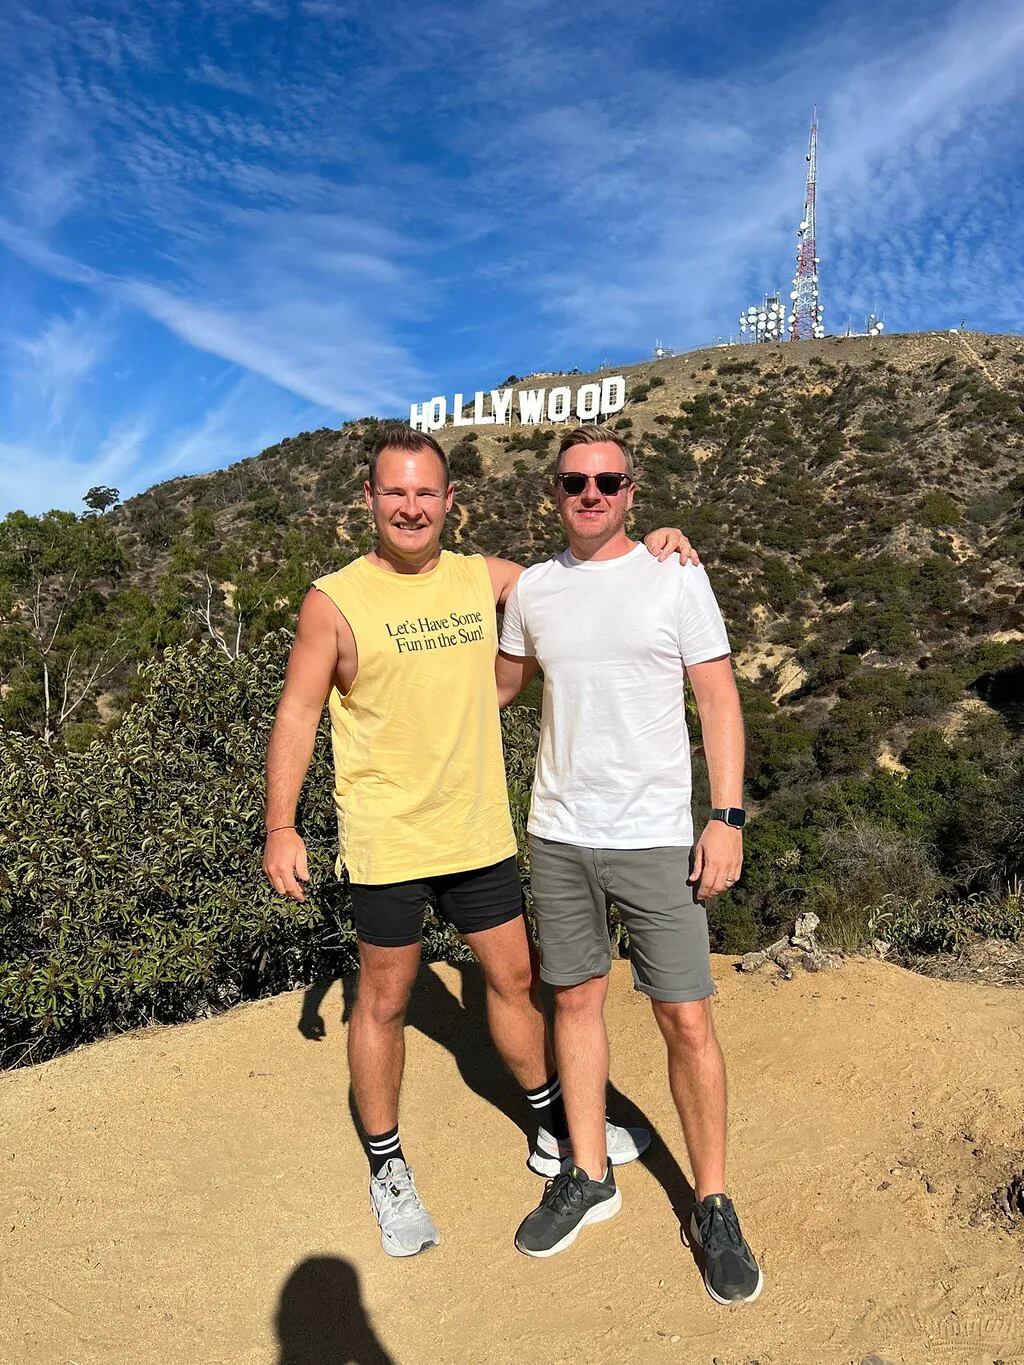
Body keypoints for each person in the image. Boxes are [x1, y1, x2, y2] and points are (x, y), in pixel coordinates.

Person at [263, 422, 695, 1258]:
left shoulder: (483, 578)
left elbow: (583, 576)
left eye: (427, 492)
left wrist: (653, 547)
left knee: (515, 977)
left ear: (450, 502)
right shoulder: (335, 599)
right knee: (384, 998)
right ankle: (388, 1167)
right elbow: (297, 713)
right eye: (396, 492)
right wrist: (280, 825)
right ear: (371, 501)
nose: (412, 507)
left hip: (478, 830)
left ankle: (548, 1125)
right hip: (389, 841)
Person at [496, 424, 762, 1304]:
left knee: (686, 1020)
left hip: (655, 836)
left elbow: (718, 696)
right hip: (560, 832)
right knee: (573, 999)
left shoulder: (675, 575)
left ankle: (713, 1201)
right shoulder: (533, 590)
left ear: (633, 490)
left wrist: (724, 818)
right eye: (575, 481)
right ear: (556, 492)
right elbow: (495, 685)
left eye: (608, 480)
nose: (591, 494)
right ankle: (586, 1169)